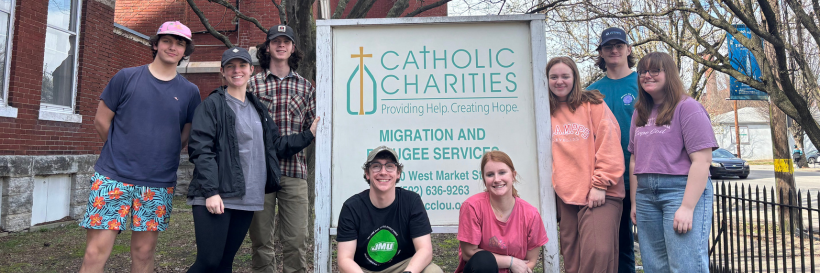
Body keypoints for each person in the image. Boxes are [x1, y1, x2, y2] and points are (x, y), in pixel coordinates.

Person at [79, 21, 200, 273]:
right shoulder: (126, 77)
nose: (172, 47)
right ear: (155, 44)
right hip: (113, 177)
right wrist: (122, 150)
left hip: (157, 182)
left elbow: (184, 135)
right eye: (167, 40)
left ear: (185, 50)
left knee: (144, 254)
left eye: (180, 43)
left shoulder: (190, 92)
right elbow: (102, 121)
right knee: (94, 252)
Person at [185, 47, 319, 273]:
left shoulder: (258, 108)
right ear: (223, 72)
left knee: (225, 263)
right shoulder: (213, 105)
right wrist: (211, 191)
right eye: (230, 66)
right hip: (218, 196)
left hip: (247, 199)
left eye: (242, 66)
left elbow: (275, 146)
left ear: (250, 70)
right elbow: (201, 149)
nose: (237, 71)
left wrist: (309, 134)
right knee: (208, 262)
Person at [629, 52, 717, 273]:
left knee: (686, 266)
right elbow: (634, 160)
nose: (647, 75)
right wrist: (634, 203)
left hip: (681, 192)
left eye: (654, 70)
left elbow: (702, 160)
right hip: (646, 195)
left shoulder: (688, 108)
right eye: (642, 72)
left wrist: (687, 207)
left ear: (669, 74)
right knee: (655, 267)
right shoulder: (640, 111)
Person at [248, 24, 317, 273]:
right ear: (267, 47)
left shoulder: (306, 87)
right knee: (260, 240)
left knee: (297, 239)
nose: (281, 45)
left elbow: (315, 129)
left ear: (293, 48)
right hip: (259, 173)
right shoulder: (252, 85)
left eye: (286, 41)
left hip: (295, 172)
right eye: (275, 41)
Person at [548, 57, 625, 273]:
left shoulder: (593, 104)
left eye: (565, 76)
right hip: (565, 195)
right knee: (573, 258)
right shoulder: (544, 110)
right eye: (553, 77)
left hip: (601, 192)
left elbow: (609, 144)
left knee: (598, 253)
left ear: (575, 78)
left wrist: (600, 185)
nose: (559, 81)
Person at [336, 146, 443, 273]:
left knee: (433, 271)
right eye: (376, 166)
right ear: (367, 173)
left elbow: (424, 250)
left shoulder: (411, 201)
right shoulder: (352, 207)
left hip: (403, 267)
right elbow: (344, 259)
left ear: (398, 173)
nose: (383, 172)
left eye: (390, 166)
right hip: (364, 270)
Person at [586, 26, 639, 273]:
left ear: (628, 50)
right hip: (607, 180)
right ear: (601, 53)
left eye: (619, 46)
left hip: (640, 175)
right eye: (608, 47)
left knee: (643, 244)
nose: (614, 50)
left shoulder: (644, 83)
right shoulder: (592, 92)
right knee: (615, 243)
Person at [455, 151, 548, 273]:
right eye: (490, 174)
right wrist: (511, 262)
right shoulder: (472, 207)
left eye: (502, 172)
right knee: (484, 260)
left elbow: (530, 261)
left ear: (513, 175)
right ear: (484, 180)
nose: (496, 179)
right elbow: (469, 253)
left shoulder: (531, 214)